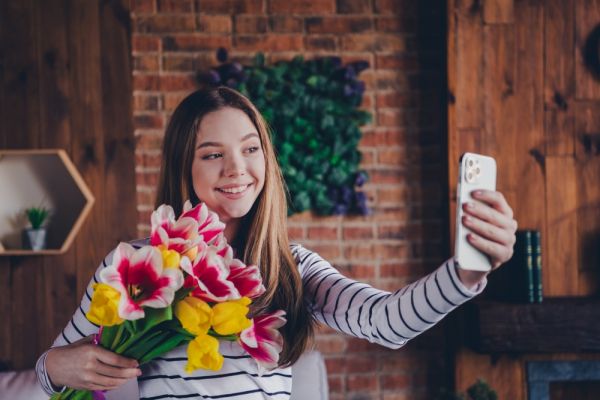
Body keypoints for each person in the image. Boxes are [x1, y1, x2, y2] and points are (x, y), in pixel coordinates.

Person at [36, 87, 518, 399]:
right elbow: (53, 376)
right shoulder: (136, 265)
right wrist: (56, 364)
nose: (237, 170)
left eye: (250, 149)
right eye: (212, 155)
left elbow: (385, 322)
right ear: (183, 166)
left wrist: (466, 275)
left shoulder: (291, 267)